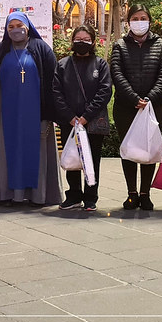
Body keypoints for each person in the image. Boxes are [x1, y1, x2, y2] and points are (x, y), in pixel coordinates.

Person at [0, 12, 61, 206]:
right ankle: (6, 194)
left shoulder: (42, 49)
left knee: (36, 151)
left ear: (28, 26)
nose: (15, 30)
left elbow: (53, 83)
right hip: (5, 112)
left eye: (19, 25)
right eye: (11, 27)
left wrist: (49, 115)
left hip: (36, 113)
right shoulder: (0, 51)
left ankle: (38, 195)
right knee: (7, 152)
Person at [110, 4, 162, 211]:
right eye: (134, 19)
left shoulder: (160, 44)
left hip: (153, 108)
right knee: (129, 150)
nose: (139, 22)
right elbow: (116, 74)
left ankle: (145, 194)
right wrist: (135, 99)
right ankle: (131, 194)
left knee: (149, 150)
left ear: (149, 21)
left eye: (142, 18)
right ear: (128, 22)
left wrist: (149, 99)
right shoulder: (120, 45)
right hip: (126, 107)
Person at [52, 25, 112, 211]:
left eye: (86, 40)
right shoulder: (62, 65)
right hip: (69, 121)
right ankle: (74, 195)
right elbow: (56, 93)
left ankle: (91, 196)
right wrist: (70, 117)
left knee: (92, 159)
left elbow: (105, 92)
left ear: (93, 42)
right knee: (72, 158)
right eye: (78, 39)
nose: (82, 43)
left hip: (92, 122)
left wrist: (85, 117)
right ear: (72, 41)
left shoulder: (101, 64)